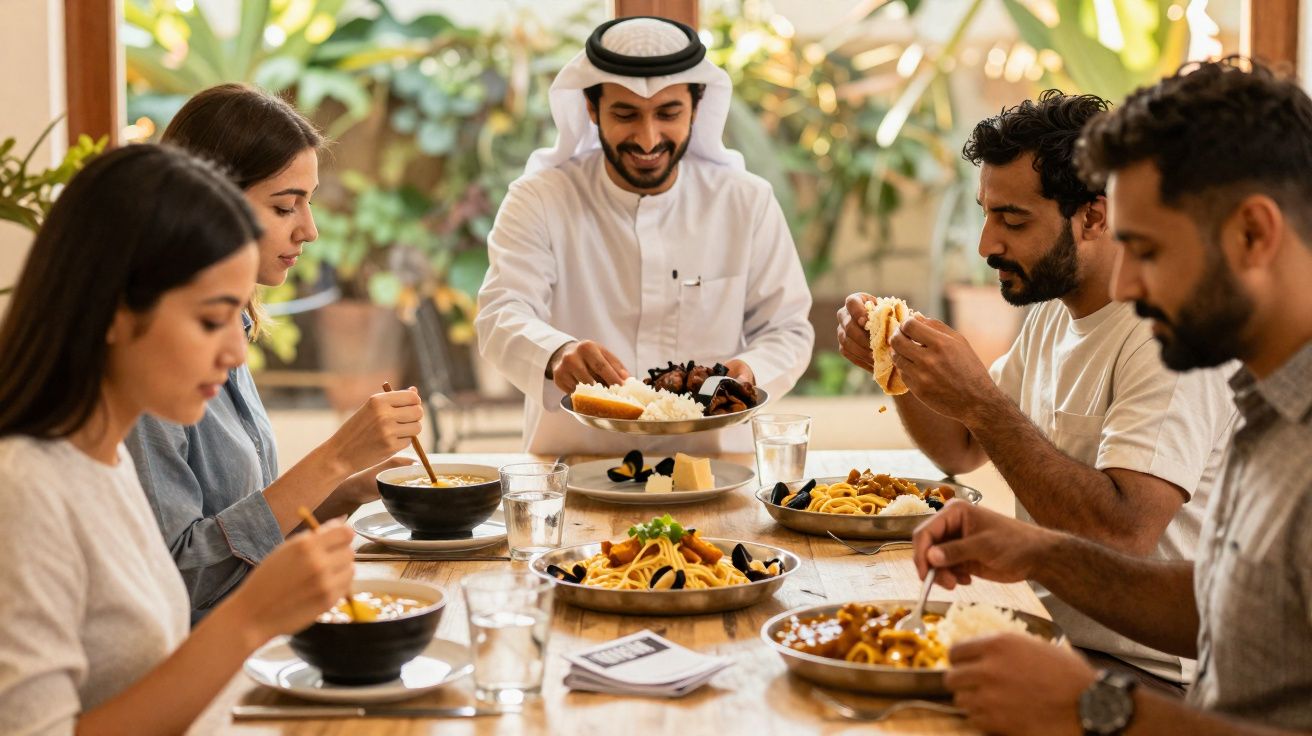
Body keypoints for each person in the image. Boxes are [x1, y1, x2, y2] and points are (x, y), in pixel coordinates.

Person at [910, 58, 1312, 735]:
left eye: (1147, 250)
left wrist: (1097, 708)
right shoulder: (1266, 402)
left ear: (1253, 233)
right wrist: (1037, 552)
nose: (1122, 286)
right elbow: (1231, 604)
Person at [836, 90, 1235, 688]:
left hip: (1147, 672)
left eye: (1013, 220)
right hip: (1049, 628)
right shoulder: (1055, 308)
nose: (986, 245)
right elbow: (962, 448)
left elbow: (1124, 534)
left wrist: (979, 399)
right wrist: (894, 363)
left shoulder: (1163, 337)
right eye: (986, 213)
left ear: (1095, 217)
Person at [0, 144, 355, 734]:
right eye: (211, 320)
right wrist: (250, 617)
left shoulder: (104, 460)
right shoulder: (24, 492)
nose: (236, 351)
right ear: (114, 309)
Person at [125, 84, 423, 619]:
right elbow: (180, 583)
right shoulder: (147, 359)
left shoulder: (231, 326)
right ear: (209, 202)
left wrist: (344, 489)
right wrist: (332, 458)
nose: (308, 230)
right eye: (286, 206)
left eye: (307, 203)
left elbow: (247, 523)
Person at [476, 16, 814, 455]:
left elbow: (787, 328)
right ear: (591, 110)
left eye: (668, 113)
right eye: (625, 113)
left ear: (696, 107)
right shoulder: (540, 199)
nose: (649, 137)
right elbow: (501, 312)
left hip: (714, 472)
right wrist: (556, 353)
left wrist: (749, 370)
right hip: (577, 471)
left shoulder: (745, 202)